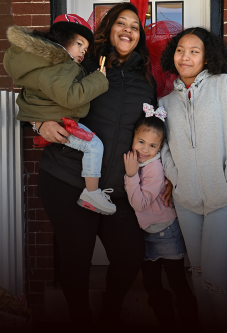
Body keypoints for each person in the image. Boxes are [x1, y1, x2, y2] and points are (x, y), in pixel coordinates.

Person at [8, 3, 158, 331]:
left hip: (116, 190)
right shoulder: (84, 63)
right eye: (122, 22)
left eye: (136, 25)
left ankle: (109, 311)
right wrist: (38, 124)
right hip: (67, 181)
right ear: (109, 28)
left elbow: (155, 131)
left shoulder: (147, 80)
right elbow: (35, 94)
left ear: (140, 36)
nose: (129, 30)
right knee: (75, 262)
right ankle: (82, 321)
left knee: (131, 257)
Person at [159, 27, 227, 333]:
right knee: (197, 271)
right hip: (187, 201)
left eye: (194, 51)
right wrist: (177, 179)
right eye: (181, 49)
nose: (185, 56)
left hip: (226, 198)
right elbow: (164, 149)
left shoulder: (224, 84)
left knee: (214, 275)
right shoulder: (165, 102)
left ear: (207, 56)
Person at [4, 14, 118, 215]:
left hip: (53, 120)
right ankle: (92, 193)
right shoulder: (61, 64)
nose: (83, 51)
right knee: (94, 146)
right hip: (61, 123)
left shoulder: (43, 62)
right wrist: (99, 80)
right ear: (63, 39)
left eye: (86, 48)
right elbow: (70, 97)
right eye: (79, 44)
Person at [124, 104, 198, 331]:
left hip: (166, 233)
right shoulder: (138, 161)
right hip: (147, 235)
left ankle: (190, 323)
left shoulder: (153, 168)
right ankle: (167, 323)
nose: (145, 149)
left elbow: (140, 202)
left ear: (160, 148)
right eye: (141, 142)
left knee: (177, 282)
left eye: (153, 145)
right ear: (133, 139)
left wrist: (130, 174)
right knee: (151, 284)